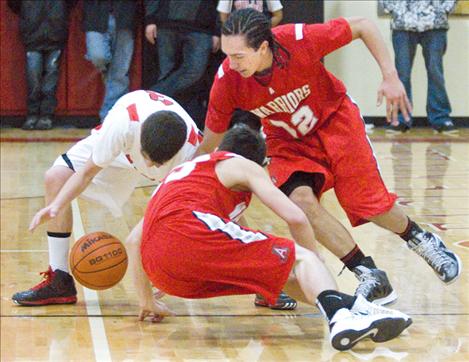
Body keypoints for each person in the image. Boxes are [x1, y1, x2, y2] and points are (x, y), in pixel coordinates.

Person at [196, 9, 462, 305]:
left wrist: (390, 76)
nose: (232, 64)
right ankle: (369, 274)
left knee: (368, 204)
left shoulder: (298, 40)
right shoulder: (227, 80)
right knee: (300, 204)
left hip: (335, 121)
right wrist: (180, 177)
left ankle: (422, 240)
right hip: (287, 142)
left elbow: (363, 24)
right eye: (228, 54)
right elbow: (210, 143)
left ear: (263, 47)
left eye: (239, 56)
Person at [131, 125, 412, 351]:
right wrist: (314, 264)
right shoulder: (238, 163)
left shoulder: (185, 174)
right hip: (191, 231)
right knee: (300, 258)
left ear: (220, 147)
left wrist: (146, 300)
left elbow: (134, 240)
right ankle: (340, 317)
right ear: (259, 162)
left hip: (161, 269)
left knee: (278, 275)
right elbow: (297, 217)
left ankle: (356, 309)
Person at [12, 90, 201, 306]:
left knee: (166, 222)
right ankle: (59, 281)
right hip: (124, 142)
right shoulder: (121, 126)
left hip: (165, 155)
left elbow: (216, 204)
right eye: (147, 159)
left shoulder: (192, 155)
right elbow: (85, 173)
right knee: (56, 178)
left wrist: (168, 273)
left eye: (157, 164)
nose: (148, 167)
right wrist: (56, 205)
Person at [381, 0, 458, 133]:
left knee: (436, 74)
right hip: (402, 23)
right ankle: (400, 118)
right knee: (402, 75)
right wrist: (395, 9)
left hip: (435, 22)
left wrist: (443, 9)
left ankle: (440, 118)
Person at [7, 0, 76, 130]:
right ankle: (37, 115)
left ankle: (43, 115)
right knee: (36, 78)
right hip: (42, 32)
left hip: (50, 31)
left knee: (47, 79)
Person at [83, 0, 136, 122]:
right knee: (98, 56)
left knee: (120, 71)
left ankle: (110, 117)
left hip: (125, 15)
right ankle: (108, 77)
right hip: (95, 15)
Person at [218, 0, 283, 27]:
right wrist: (234, 31)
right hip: (238, 36)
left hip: (261, 36)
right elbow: (223, 17)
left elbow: (278, 15)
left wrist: (263, 28)